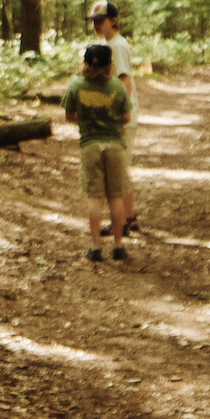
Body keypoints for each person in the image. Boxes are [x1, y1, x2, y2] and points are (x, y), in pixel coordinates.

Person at [66, 42, 135, 262]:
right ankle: (118, 245)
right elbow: (126, 118)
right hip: (115, 145)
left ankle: (95, 247)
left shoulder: (76, 86)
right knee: (115, 196)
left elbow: (69, 115)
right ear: (110, 65)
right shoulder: (116, 87)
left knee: (94, 196)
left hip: (89, 146)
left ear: (85, 64)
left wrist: (87, 119)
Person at [84, 0, 142, 238]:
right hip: (124, 114)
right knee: (121, 169)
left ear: (113, 20)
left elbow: (124, 80)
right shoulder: (113, 44)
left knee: (115, 172)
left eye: (101, 21)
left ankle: (122, 222)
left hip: (123, 115)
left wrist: (119, 113)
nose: (97, 25)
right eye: (94, 21)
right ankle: (130, 218)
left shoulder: (117, 46)